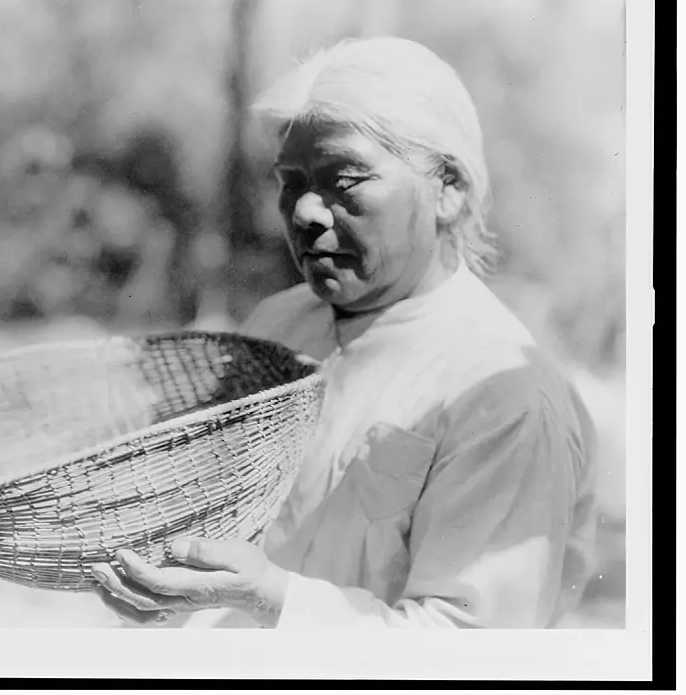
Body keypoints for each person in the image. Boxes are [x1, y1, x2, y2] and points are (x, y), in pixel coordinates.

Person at [90, 37, 598, 629]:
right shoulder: (278, 325)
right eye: (291, 181)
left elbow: (474, 657)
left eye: (346, 179)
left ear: (448, 190)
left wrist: (274, 600)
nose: (304, 212)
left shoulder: (501, 396)